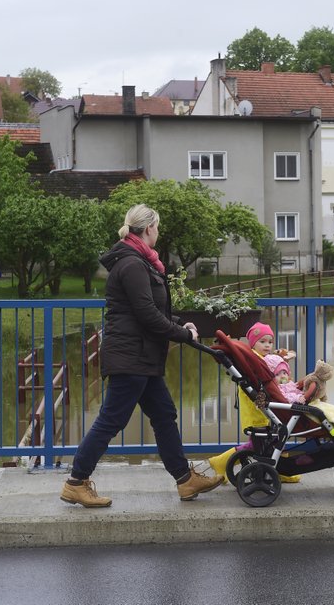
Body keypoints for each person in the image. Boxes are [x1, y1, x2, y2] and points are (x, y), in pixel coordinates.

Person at [61, 204, 224, 508]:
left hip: (141, 356)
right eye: (157, 228)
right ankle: (75, 482)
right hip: (131, 356)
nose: (158, 233)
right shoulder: (133, 264)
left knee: (164, 415)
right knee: (111, 420)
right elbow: (146, 314)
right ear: (148, 228)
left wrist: (178, 323)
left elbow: (149, 311)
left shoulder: (136, 261)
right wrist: (183, 334)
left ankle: (185, 480)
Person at [207, 322, 301, 483]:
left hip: (263, 408)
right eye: (262, 342)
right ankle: (220, 462)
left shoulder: (261, 359)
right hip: (258, 411)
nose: (267, 345)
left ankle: (280, 469)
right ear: (253, 343)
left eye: (270, 342)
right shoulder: (256, 361)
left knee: (278, 437)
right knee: (256, 445)